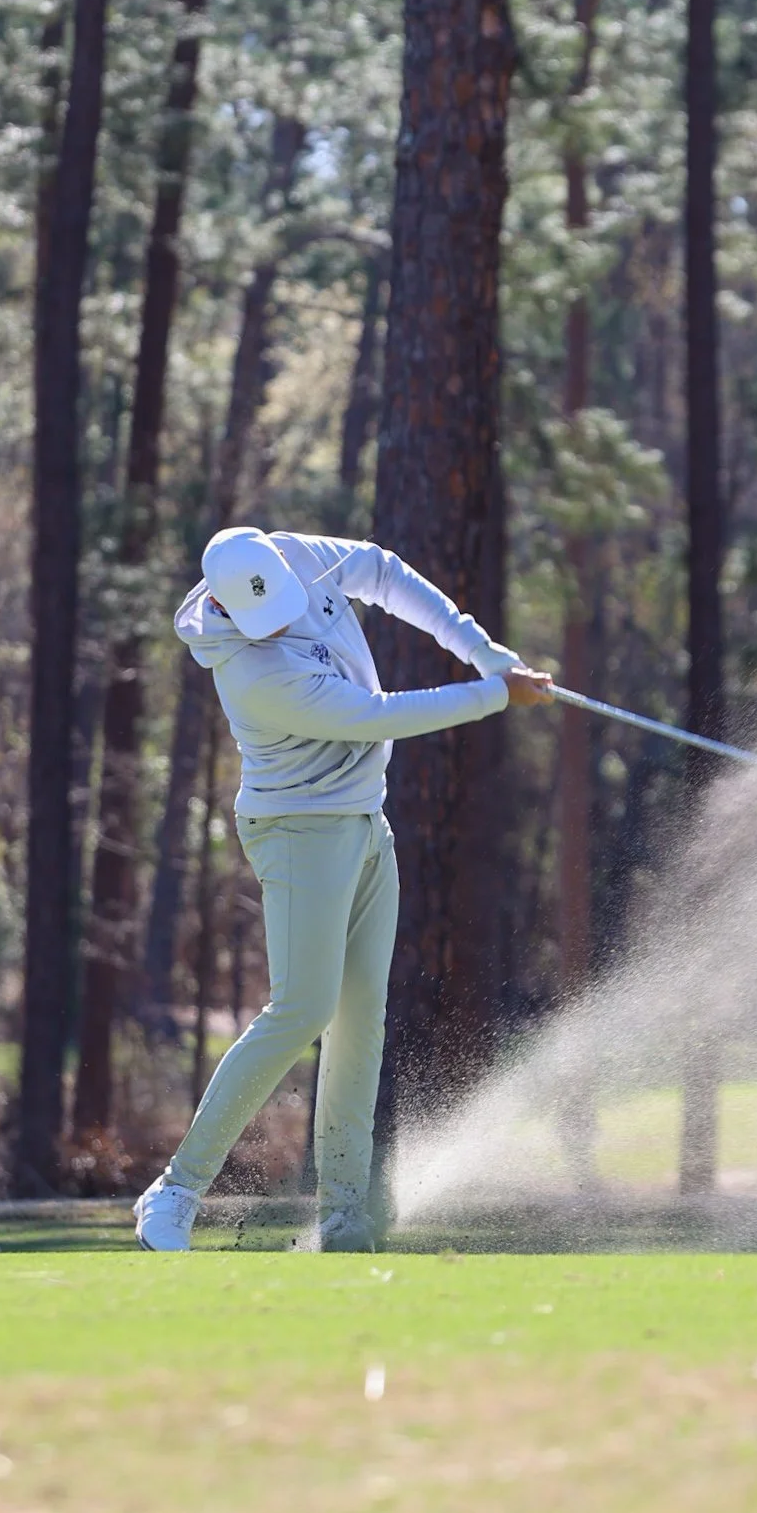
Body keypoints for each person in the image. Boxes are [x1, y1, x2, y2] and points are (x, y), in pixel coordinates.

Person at [133, 525, 552, 1252]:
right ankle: (176, 1191)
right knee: (301, 1010)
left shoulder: (290, 554)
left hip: (364, 822)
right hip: (300, 833)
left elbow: (385, 573)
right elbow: (375, 717)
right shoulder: (252, 674)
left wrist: (486, 652)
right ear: (227, 611)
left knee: (360, 1024)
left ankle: (345, 1218)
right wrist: (493, 696)